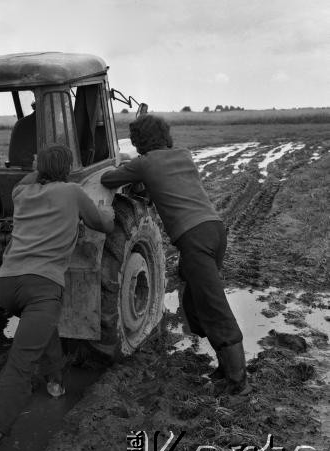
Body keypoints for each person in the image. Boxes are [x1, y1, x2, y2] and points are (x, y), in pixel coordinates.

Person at [0, 144, 114, 451]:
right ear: (68, 169)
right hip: (42, 287)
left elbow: (33, 177)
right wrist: (110, 211)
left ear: (39, 168)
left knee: (41, 327)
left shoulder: (22, 193)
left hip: (7, 286)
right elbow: (102, 224)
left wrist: (41, 166)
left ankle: (55, 381)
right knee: (20, 365)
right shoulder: (73, 192)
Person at [100, 114, 251, 398]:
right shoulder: (183, 155)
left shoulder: (145, 163)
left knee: (212, 305)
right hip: (214, 231)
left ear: (139, 142)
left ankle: (238, 380)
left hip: (193, 239)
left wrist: (126, 169)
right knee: (195, 299)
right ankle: (225, 367)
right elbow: (166, 182)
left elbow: (109, 179)